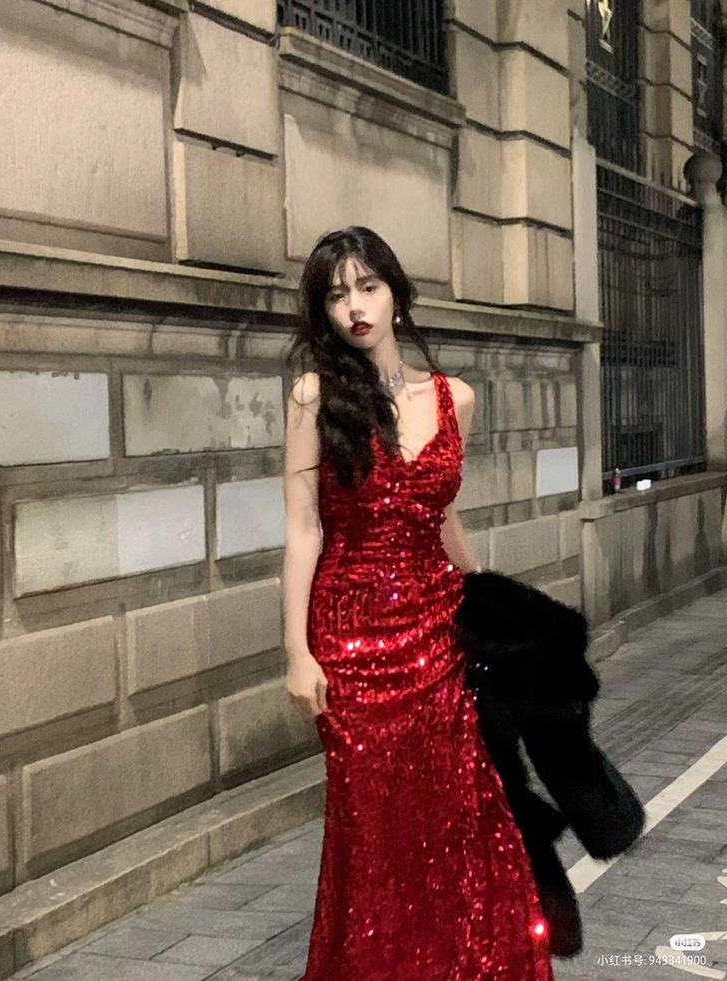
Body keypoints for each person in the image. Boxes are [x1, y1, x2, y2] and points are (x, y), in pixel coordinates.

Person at [281, 226, 553, 981]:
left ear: (397, 293)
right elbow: (302, 528)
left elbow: (441, 513)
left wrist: (492, 603)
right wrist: (298, 653)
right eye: (337, 295)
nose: (355, 308)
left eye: (368, 287)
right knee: (375, 836)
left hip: (441, 636)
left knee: (461, 818)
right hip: (353, 641)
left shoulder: (454, 398)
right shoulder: (315, 396)